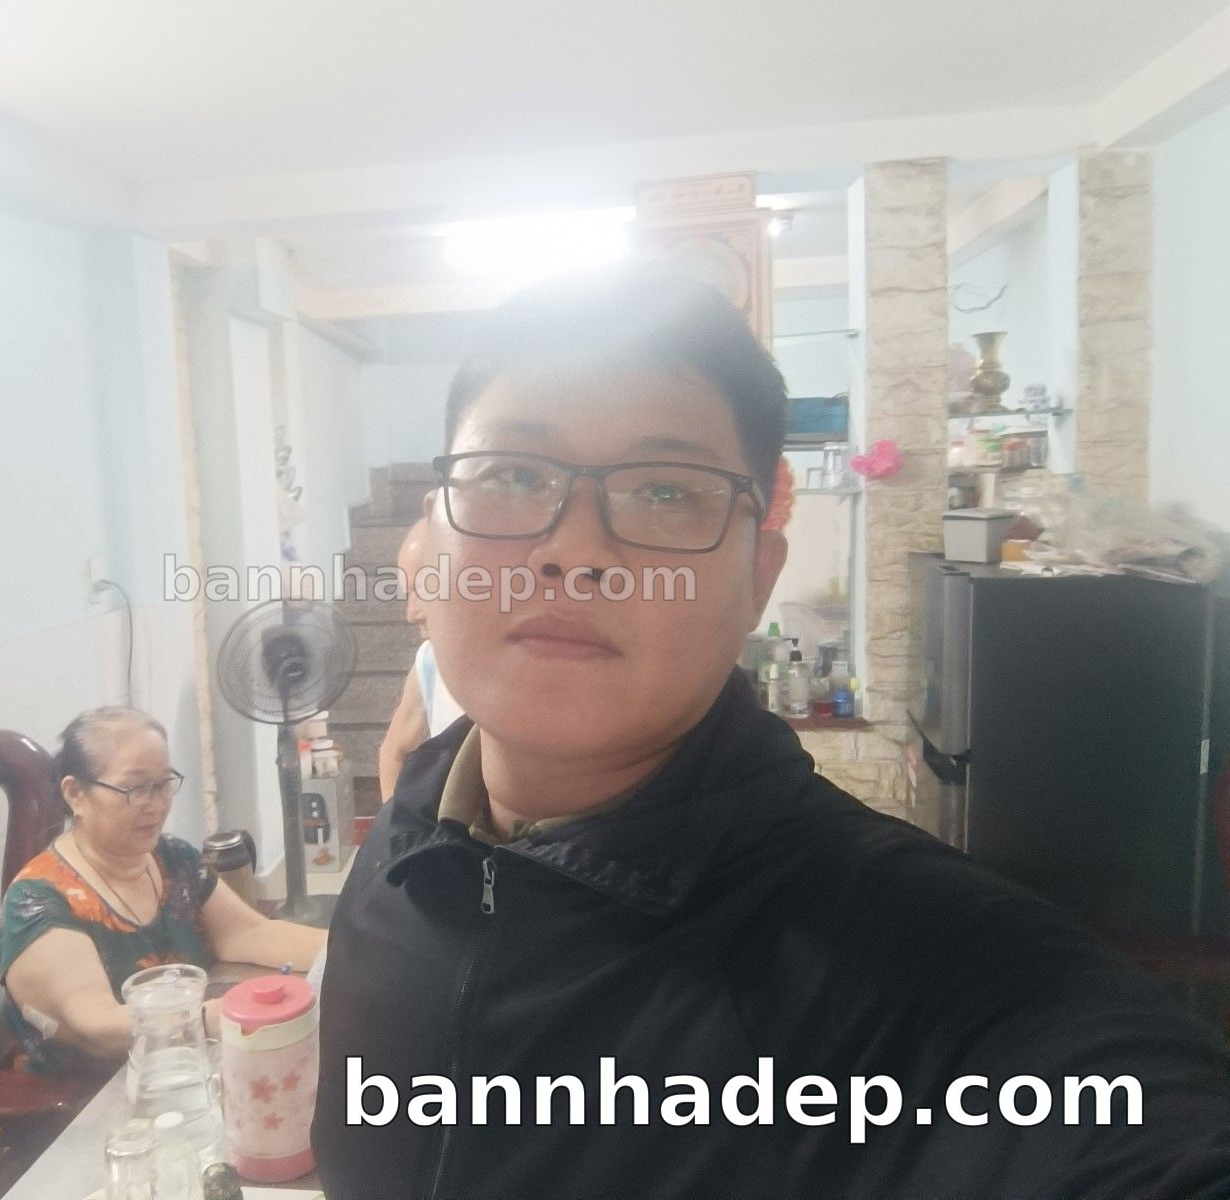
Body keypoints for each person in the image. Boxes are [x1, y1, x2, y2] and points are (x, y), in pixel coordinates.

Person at [311, 262, 1230, 1199]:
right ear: (430, 546)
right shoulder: (408, 830)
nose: (575, 550)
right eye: (512, 473)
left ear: (759, 576)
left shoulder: (919, 972)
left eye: (665, 491)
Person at [0, 706, 325, 1075]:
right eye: (136, 788)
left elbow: (248, 933)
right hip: (90, 1092)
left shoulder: (171, 858)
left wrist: (347, 951)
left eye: (163, 784)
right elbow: (95, 1026)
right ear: (76, 794)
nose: (156, 805)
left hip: (188, 1061)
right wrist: (224, 1015)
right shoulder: (39, 901)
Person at [378, 518, 465, 799]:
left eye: (421, 590)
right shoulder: (430, 663)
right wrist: (392, 822)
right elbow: (394, 753)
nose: (411, 614)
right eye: (408, 594)